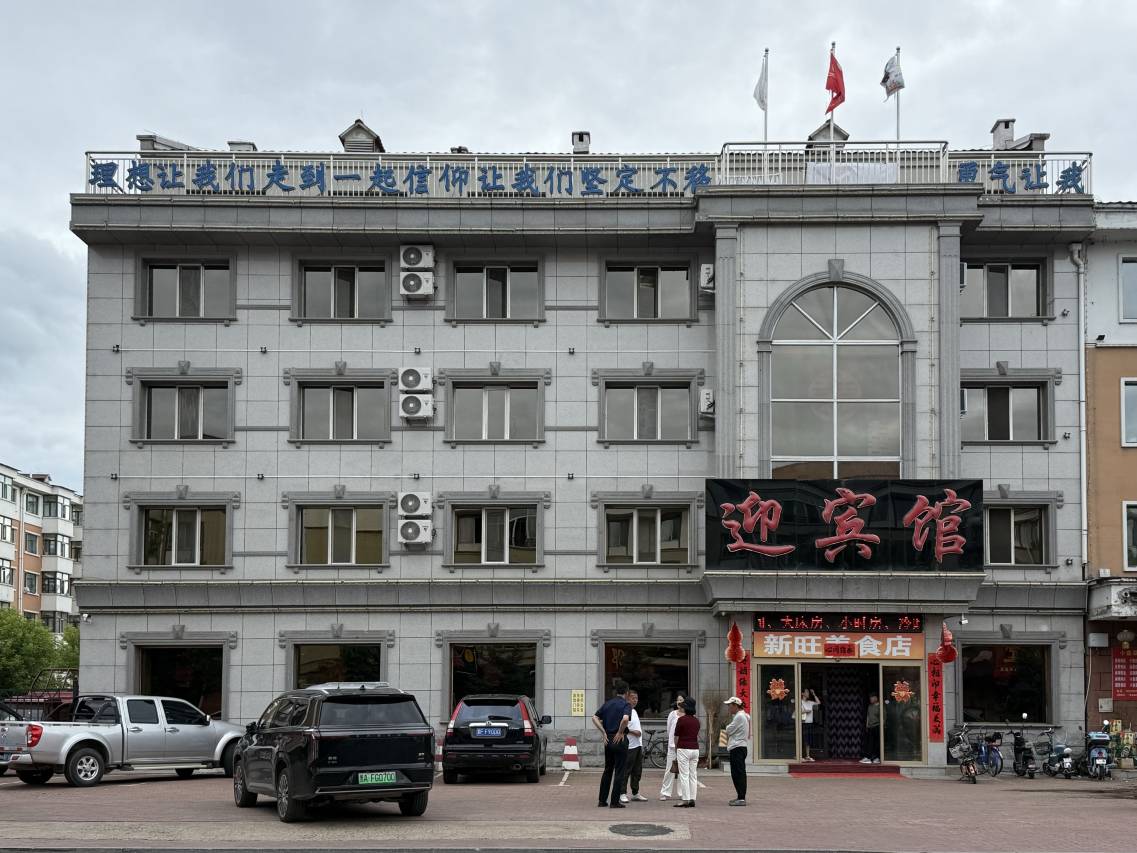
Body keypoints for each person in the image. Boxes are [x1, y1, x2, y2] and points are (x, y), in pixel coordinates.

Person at [591, 680, 631, 808]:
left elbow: (594, 717)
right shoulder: (626, 704)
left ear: (616, 691)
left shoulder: (607, 704)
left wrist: (603, 732)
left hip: (607, 739)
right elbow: (625, 719)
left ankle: (602, 800)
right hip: (619, 739)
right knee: (619, 771)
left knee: (608, 769)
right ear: (626, 692)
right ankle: (614, 801)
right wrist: (620, 731)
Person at [723, 696, 751, 806]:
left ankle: (741, 798)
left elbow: (728, 730)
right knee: (738, 773)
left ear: (735, 705)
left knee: (738, 773)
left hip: (737, 747)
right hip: (740, 747)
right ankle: (740, 796)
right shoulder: (744, 715)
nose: (729, 708)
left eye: (730, 705)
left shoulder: (739, 716)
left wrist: (728, 727)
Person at [620, 690, 647, 802]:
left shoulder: (634, 711)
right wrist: (631, 732)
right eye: (633, 698)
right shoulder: (624, 711)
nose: (635, 700)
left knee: (637, 771)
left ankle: (635, 792)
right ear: (627, 698)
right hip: (629, 746)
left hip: (637, 745)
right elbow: (623, 727)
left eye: (636, 698)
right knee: (626, 771)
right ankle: (622, 793)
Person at [673, 697, 700, 808]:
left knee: (684, 775)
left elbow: (676, 736)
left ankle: (685, 799)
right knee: (693, 775)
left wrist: (676, 748)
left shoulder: (681, 720)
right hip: (695, 749)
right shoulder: (697, 721)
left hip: (683, 748)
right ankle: (692, 798)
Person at [659, 694, 685, 800]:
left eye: (681, 700)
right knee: (669, 769)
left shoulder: (688, 715)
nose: (679, 702)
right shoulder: (672, 714)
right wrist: (672, 742)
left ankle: (682, 793)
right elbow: (669, 729)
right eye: (678, 700)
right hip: (672, 746)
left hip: (683, 747)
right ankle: (665, 792)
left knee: (682, 771)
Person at [799, 688, 821, 761]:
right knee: (802, 740)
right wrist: (805, 711)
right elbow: (797, 712)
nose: (808, 693)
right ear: (802, 693)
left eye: (808, 692)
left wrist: (814, 694)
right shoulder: (800, 702)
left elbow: (818, 703)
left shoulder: (810, 702)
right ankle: (800, 756)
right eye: (806, 692)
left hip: (810, 723)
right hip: (803, 723)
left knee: (808, 740)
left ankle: (807, 756)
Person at [860, 693, 881, 764]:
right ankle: (868, 757)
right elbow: (868, 716)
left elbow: (883, 718)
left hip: (877, 726)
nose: (870, 699)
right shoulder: (870, 706)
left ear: (876, 698)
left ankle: (876, 758)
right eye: (870, 698)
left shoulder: (880, 706)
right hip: (870, 727)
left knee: (877, 743)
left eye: (872, 697)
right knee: (870, 743)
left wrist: (882, 727)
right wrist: (867, 726)